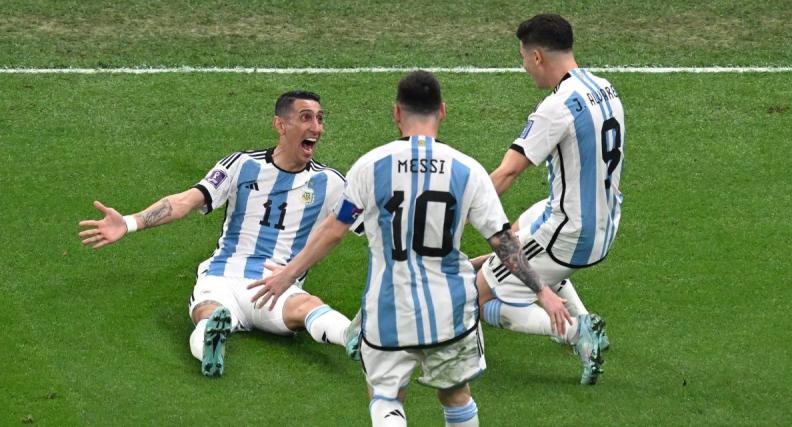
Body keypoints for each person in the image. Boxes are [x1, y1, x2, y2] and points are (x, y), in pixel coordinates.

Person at [247, 71, 571, 427]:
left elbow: (334, 231)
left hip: (388, 311)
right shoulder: (469, 170)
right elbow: (503, 242)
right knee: (456, 397)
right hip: (450, 312)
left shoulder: (369, 167)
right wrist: (542, 291)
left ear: (397, 113)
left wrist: (287, 276)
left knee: (385, 398)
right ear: (443, 111)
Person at [78, 90, 359, 377]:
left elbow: (371, 223)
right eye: (306, 118)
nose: (317, 127)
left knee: (306, 306)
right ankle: (212, 347)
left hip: (275, 284)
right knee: (210, 313)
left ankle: (350, 335)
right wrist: (129, 222)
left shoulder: (331, 183)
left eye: (320, 119)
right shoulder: (242, 165)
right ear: (280, 125)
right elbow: (186, 201)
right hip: (223, 276)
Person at [473, 13, 626, 385]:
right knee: (520, 228)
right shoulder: (605, 87)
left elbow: (507, 173)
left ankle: (575, 333)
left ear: (537, 56)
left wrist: (459, 214)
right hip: (607, 220)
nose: (525, 67)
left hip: (571, 236)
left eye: (524, 58)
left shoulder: (556, 108)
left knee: (474, 297)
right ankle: (589, 321)